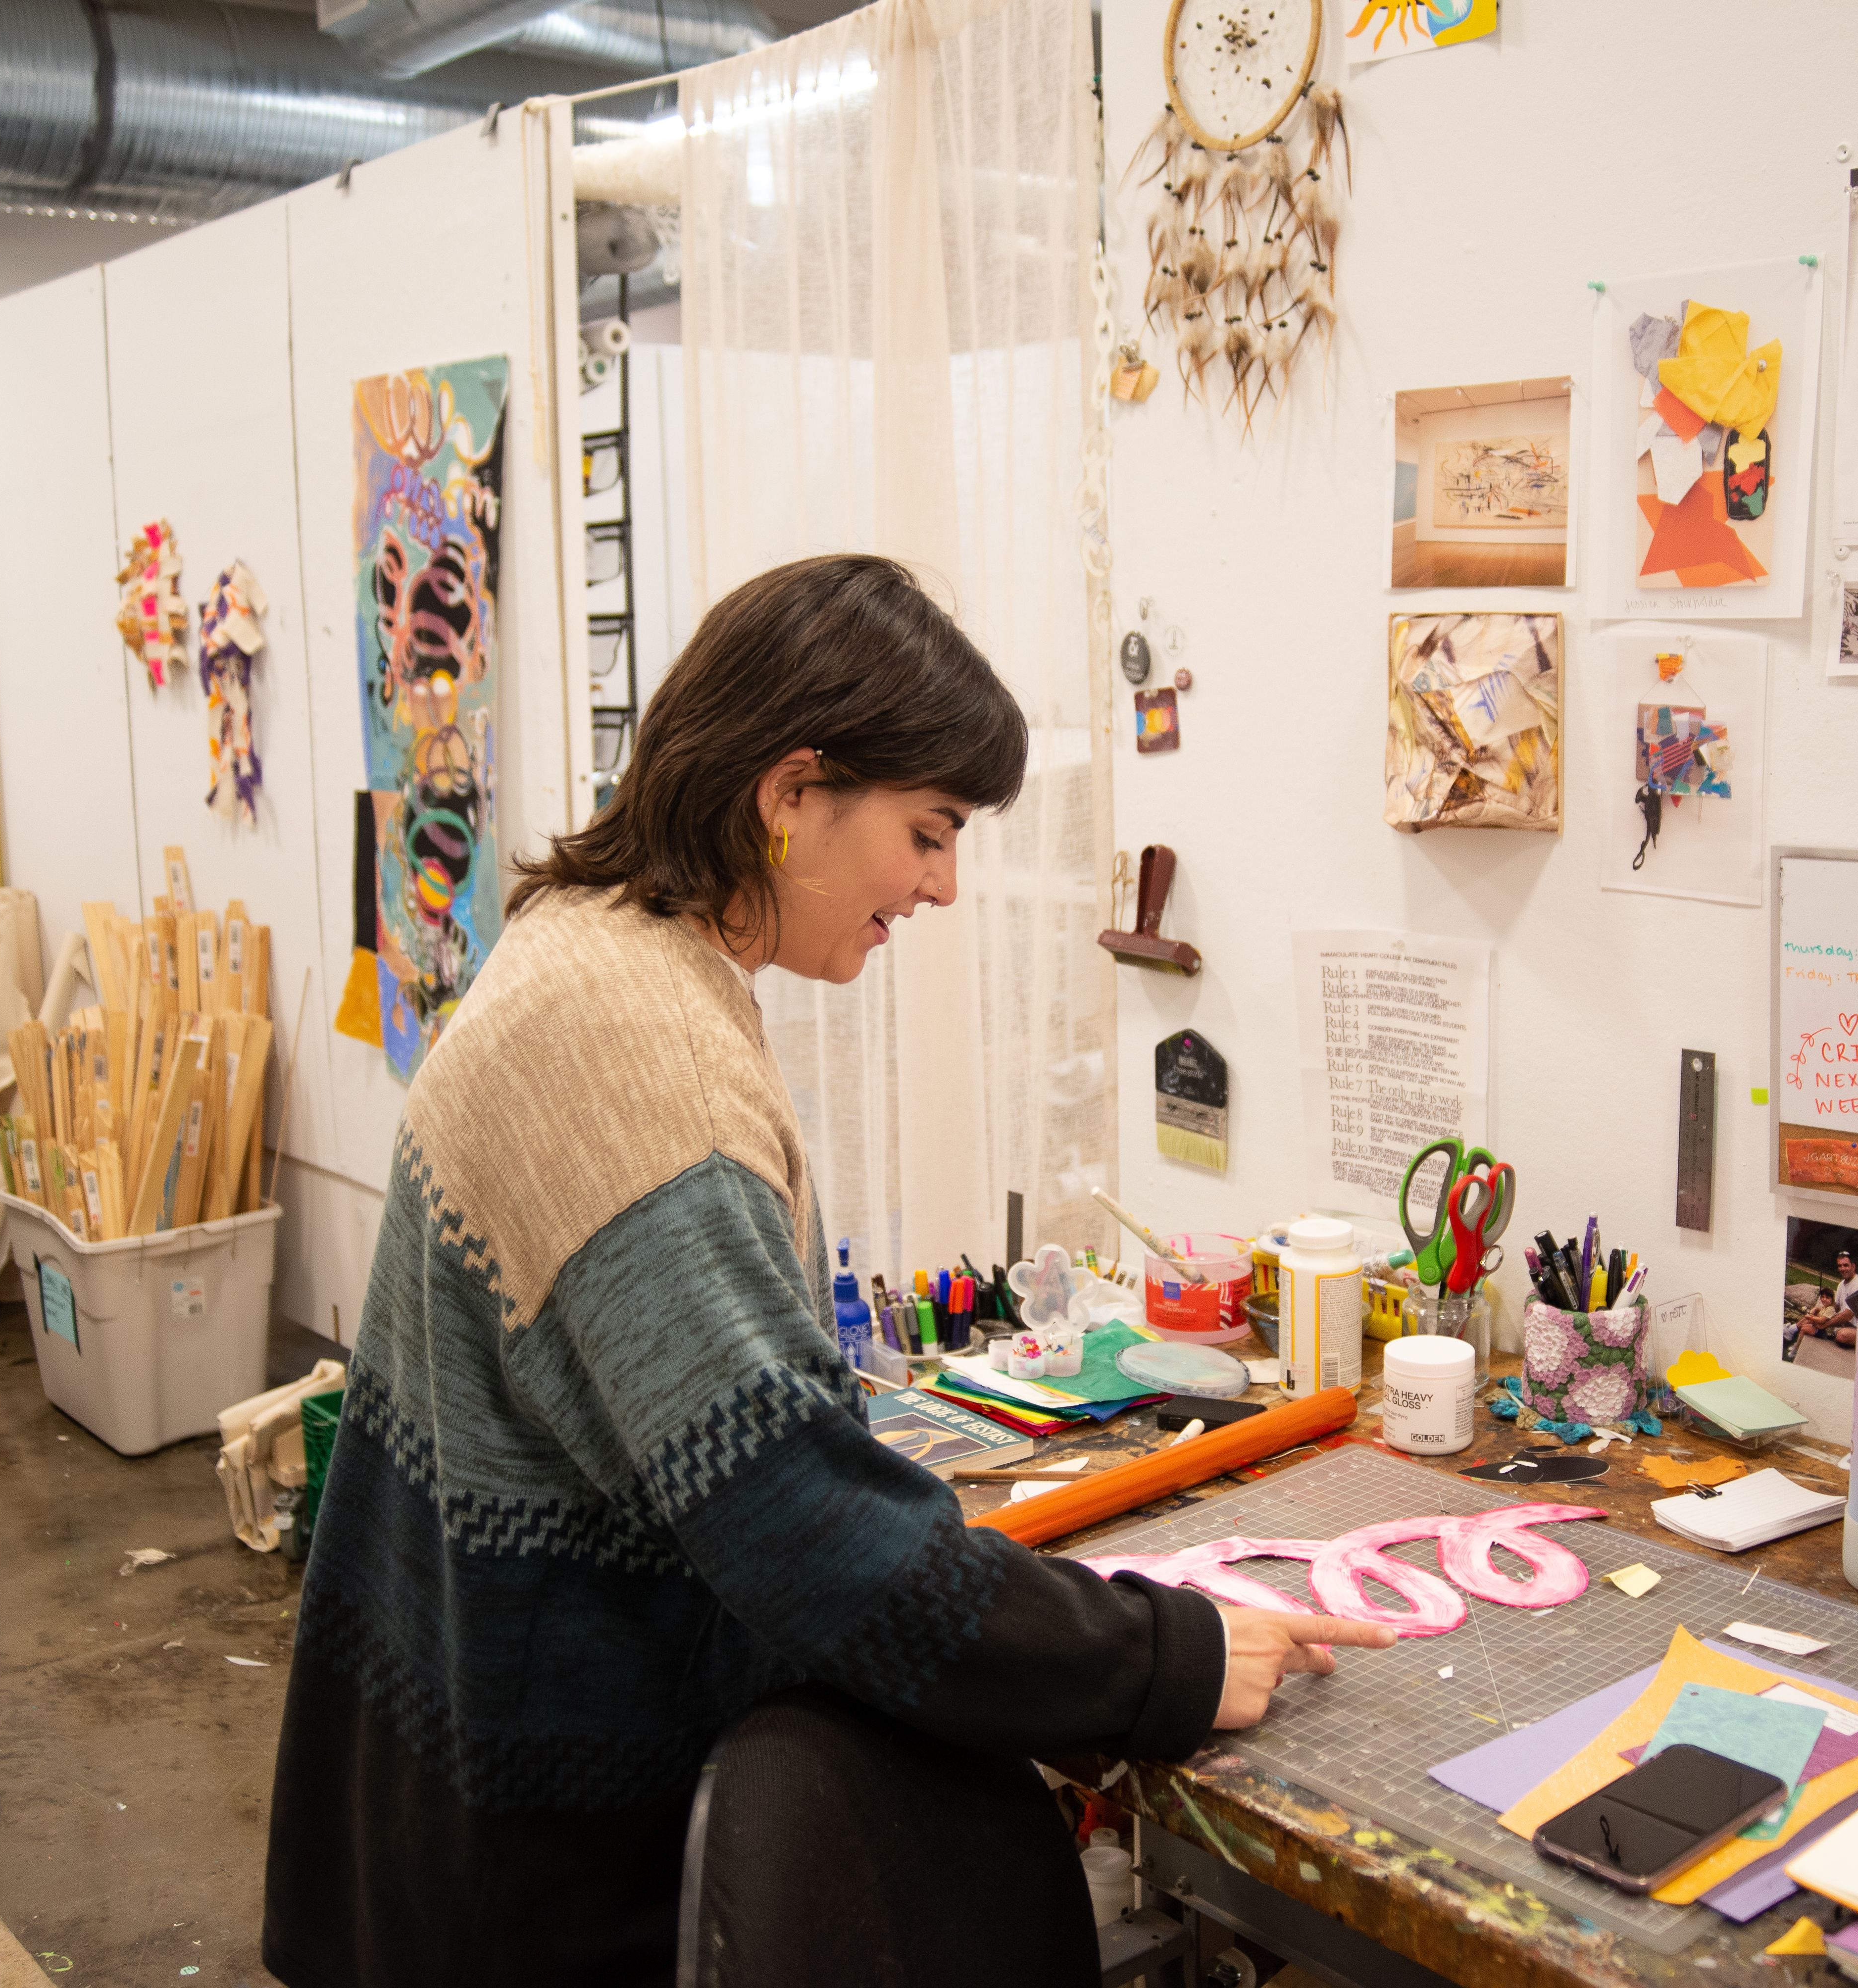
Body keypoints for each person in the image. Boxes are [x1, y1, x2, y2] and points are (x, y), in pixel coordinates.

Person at [262, 553, 1392, 1987]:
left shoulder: (600, 948)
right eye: (928, 831)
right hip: (528, 1869)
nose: (943, 885)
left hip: (452, 1788)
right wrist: (1163, 1662)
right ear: (791, 794)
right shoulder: (633, 1055)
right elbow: (808, 1543)